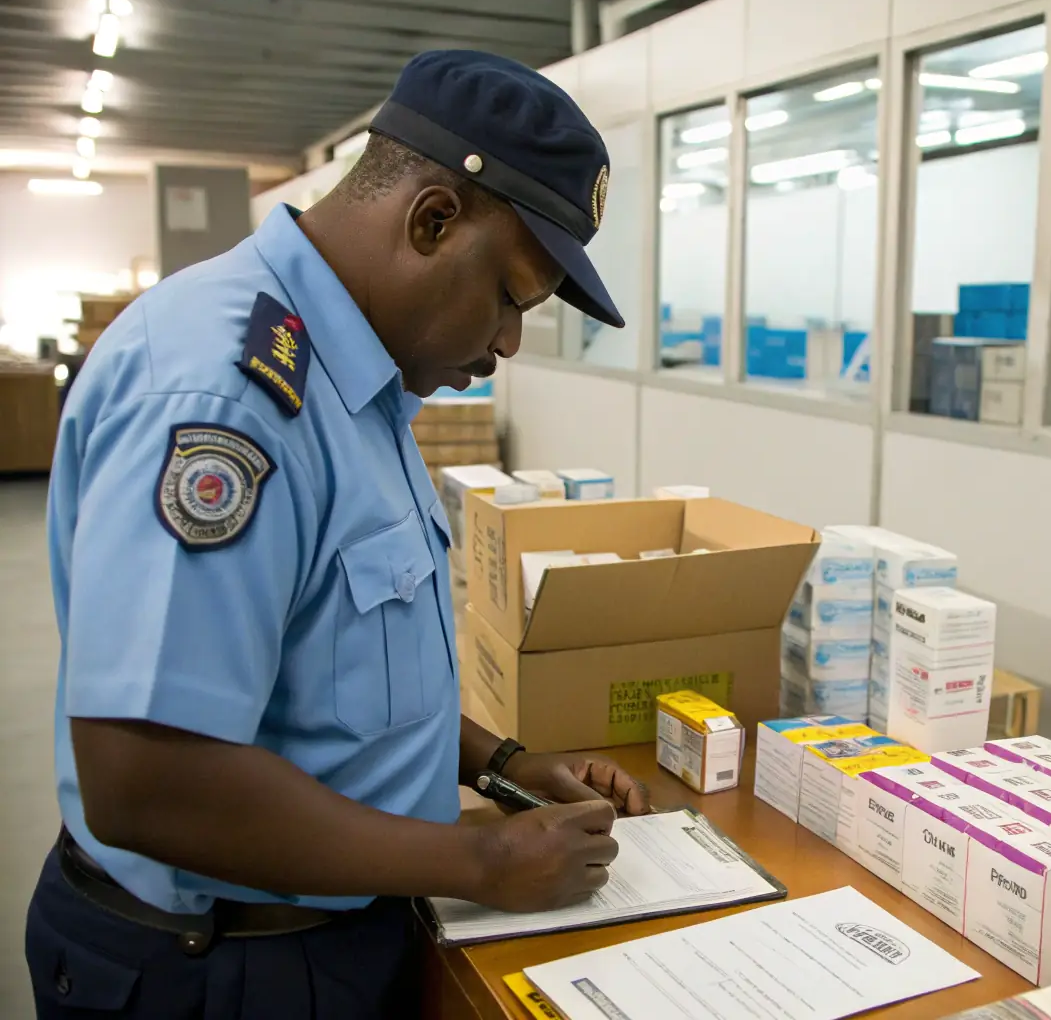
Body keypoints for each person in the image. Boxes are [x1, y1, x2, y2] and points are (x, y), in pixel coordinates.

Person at [26, 49, 649, 1020]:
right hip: (219, 974)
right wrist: (479, 857)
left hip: (334, 934)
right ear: (432, 220)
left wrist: (499, 767)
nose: (507, 344)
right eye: (509, 298)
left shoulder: (356, 384)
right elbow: (147, 783)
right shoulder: (226, 395)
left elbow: (336, 674)